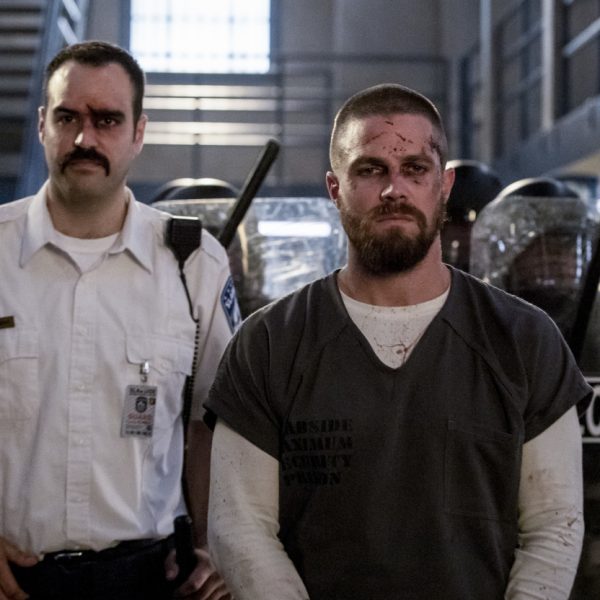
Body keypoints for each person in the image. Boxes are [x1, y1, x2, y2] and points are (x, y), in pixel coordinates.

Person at [205, 83, 592, 599]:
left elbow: (554, 524)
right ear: (335, 188)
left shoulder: (525, 339)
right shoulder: (269, 344)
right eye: (370, 170)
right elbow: (240, 526)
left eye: (415, 169)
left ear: (444, 184)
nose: (394, 190)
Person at [0, 41, 238, 600]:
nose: (85, 139)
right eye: (68, 118)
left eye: (107, 120)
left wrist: (214, 542)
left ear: (138, 132)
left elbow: (216, 422)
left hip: (150, 581)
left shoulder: (193, 264)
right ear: (42, 125)